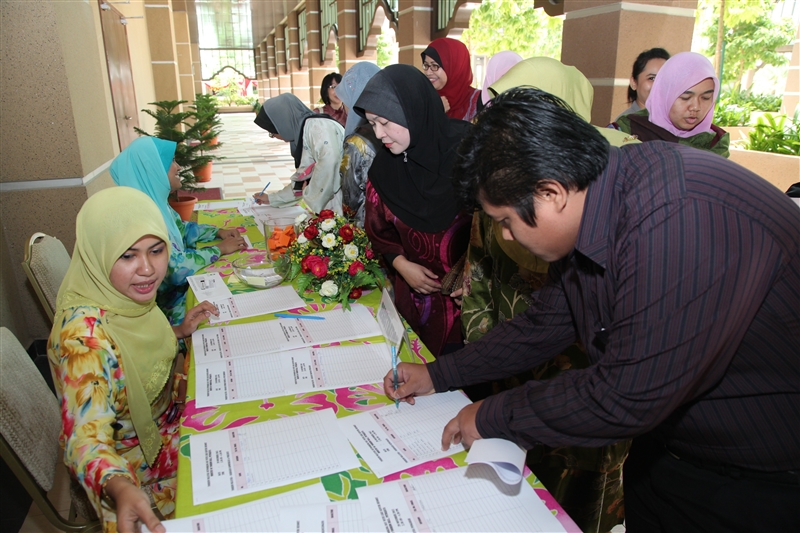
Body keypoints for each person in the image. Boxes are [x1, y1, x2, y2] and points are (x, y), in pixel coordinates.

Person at [386, 87, 800, 532]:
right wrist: (440, 374)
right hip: (671, 454)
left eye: (505, 221)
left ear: (550, 192)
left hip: (759, 479)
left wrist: (494, 416)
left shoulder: (674, 219)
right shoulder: (606, 199)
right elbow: (544, 323)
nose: (505, 238)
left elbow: (625, 394)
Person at [463, 56, 637, 532]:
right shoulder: (503, 191)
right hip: (513, 364)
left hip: (585, 384)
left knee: (575, 498)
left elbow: (619, 388)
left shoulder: (619, 212)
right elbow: (489, 282)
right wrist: (479, 355)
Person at [48, 187, 219, 533]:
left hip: (168, 416)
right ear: (99, 254)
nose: (147, 269)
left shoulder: (122, 297)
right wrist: (121, 487)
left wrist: (178, 329)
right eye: (127, 256)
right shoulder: (84, 340)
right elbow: (86, 437)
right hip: (136, 461)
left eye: (156, 251)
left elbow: (130, 352)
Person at [354, 64, 471, 356]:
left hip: (468, 311)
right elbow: (377, 231)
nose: (379, 134)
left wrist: (477, 280)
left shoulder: (470, 155)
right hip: (414, 303)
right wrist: (401, 265)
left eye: (384, 121)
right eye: (372, 124)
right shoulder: (385, 169)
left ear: (414, 110)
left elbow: (502, 232)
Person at [110, 136, 245, 325]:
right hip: (166, 310)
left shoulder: (157, 205)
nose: (179, 167)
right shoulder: (140, 220)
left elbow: (184, 228)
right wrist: (219, 249)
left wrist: (217, 232)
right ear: (154, 170)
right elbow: (173, 269)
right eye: (172, 161)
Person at [611, 51, 730, 157]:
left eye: (706, 98)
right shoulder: (630, 129)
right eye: (685, 97)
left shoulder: (716, 143)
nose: (695, 107)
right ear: (664, 95)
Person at [253, 93, 345, 213]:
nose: (274, 137)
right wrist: (272, 198)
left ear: (282, 123)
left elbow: (330, 163)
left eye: (272, 132)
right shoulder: (305, 130)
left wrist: (310, 195)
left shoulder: (317, 127)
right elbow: (302, 179)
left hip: (343, 200)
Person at [335, 62, 381, 227]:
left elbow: (351, 198)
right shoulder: (391, 128)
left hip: (366, 226)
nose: (343, 107)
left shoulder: (357, 142)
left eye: (346, 100)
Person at [421, 38, 481, 121]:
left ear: (455, 66)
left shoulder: (480, 102)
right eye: (426, 65)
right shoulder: (423, 99)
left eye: (435, 66)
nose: (428, 72)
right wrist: (434, 112)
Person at [616, 47, 670, 120]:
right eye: (652, 78)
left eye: (664, 79)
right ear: (634, 83)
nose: (658, 85)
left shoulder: (677, 123)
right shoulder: (625, 124)